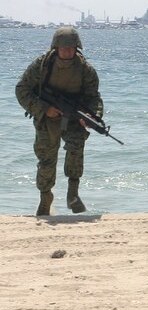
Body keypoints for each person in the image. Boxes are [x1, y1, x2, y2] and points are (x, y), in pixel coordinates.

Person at [15, 26, 104, 216]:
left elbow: (94, 97)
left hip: (73, 118)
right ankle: (45, 198)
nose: (67, 51)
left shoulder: (85, 70)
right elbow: (22, 89)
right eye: (63, 48)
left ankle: (73, 194)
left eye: (71, 48)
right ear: (55, 48)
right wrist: (44, 109)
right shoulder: (42, 65)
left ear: (77, 48)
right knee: (46, 159)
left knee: (75, 151)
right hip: (48, 118)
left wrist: (92, 117)